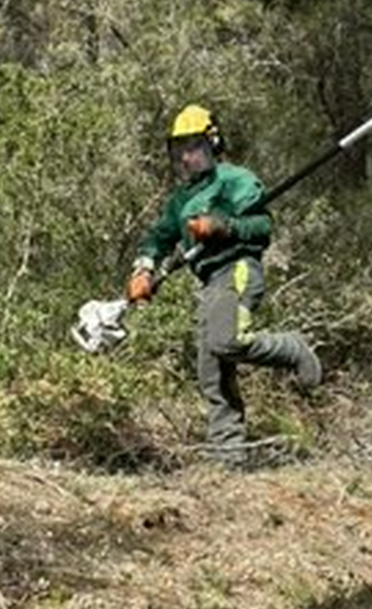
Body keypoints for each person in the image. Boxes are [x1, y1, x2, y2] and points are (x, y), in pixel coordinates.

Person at [127, 104, 322, 462]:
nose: (186, 157)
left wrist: (224, 226)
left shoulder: (235, 180)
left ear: (213, 144)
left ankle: (293, 348)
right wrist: (144, 270)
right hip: (209, 283)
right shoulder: (180, 200)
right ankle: (228, 454)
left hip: (236, 269)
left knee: (226, 341)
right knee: (211, 370)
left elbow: (262, 227)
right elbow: (157, 238)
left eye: (194, 147)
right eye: (180, 150)